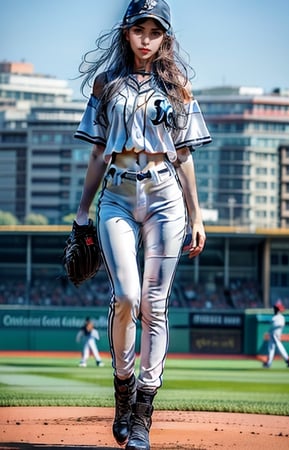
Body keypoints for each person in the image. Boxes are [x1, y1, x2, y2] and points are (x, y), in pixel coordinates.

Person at [73, 1, 211, 448]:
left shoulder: (178, 87)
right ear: (127, 33)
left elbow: (185, 156)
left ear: (165, 37)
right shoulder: (106, 84)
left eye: (155, 30)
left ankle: (142, 415)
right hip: (116, 194)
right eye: (139, 28)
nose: (147, 37)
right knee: (127, 297)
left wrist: (197, 215)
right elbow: (96, 154)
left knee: (155, 303)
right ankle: (122, 388)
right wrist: (80, 215)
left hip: (165, 197)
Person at [263, 300, 289, 368]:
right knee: (271, 348)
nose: (274, 310)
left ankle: (288, 360)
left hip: (276, 333)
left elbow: (280, 325)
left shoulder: (279, 317)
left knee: (279, 346)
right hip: (273, 333)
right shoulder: (275, 317)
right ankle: (269, 362)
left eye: (275, 309)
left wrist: (273, 327)